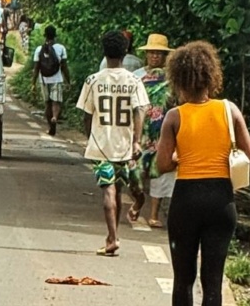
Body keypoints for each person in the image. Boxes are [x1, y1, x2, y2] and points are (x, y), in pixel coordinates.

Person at [155, 41, 250, 306]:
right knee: (213, 280)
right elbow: (249, 156)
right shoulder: (229, 110)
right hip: (220, 201)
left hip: (186, 201)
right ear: (211, 76)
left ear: (179, 79)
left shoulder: (174, 117)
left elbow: (162, 165)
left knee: (183, 278)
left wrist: (181, 157)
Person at [76, 30, 149, 256]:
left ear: (104, 52)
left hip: (101, 147)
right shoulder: (134, 81)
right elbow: (140, 110)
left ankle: (112, 238)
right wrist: (136, 141)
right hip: (125, 147)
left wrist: (90, 137)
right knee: (123, 189)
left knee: (108, 190)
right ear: (125, 52)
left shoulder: (93, 80)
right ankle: (118, 229)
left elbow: (87, 114)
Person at [128, 32, 177, 228]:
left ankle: (154, 214)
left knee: (160, 171)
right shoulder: (136, 76)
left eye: (159, 53)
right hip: (140, 131)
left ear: (165, 56)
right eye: (152, 52)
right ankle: (138, 202)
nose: (155, 56)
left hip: (163, 130)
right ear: (146, 54)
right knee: (136, 171)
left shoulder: (172, 79)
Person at [32, 25, 70, 136]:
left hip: (43, 80)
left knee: (47, 103)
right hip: (57, 79)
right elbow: (64, 67)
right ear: (55, 36)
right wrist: (68, 80)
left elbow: (36, 68)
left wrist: (33, 83)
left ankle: (50, 126)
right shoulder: (61, 48)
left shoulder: (39, 49)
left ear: (45, 35)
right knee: (56, 102)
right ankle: (55, 117)